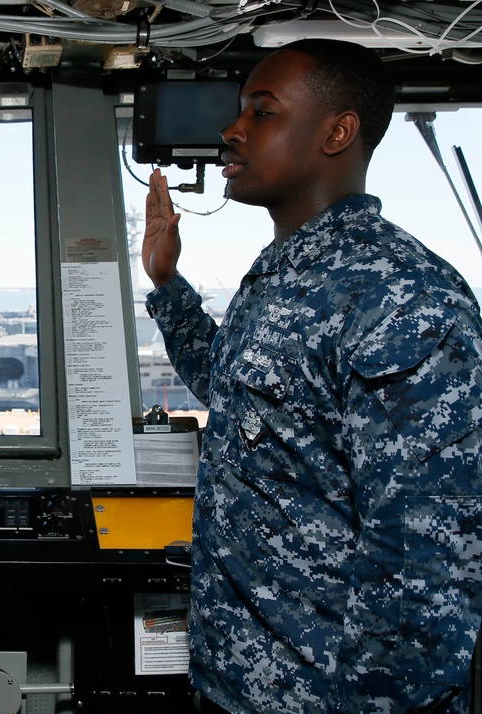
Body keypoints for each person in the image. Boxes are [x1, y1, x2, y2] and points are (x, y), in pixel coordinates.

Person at [141, 38, 482, 713]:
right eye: (240, 111)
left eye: (261, 113)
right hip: (236, 684)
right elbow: (232, 391)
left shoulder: (406, 299)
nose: (231, 130)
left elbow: (427, 566)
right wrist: (166, 282)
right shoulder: (281, 275)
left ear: (338, 132)